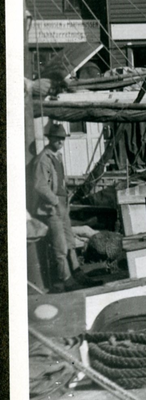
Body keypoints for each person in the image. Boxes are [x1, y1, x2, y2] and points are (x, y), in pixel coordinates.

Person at [28, 122, 75, 289]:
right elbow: (39, 186)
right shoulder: (43, 159)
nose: (61, 142)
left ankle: (77, 273)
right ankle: (67, 280)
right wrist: (55, 202)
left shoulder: (57, 156)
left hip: (63, 204)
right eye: (57, 139)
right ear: (50, 139)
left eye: (63, 139)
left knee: (70, 241)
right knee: (60, 246)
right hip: (51, 207)